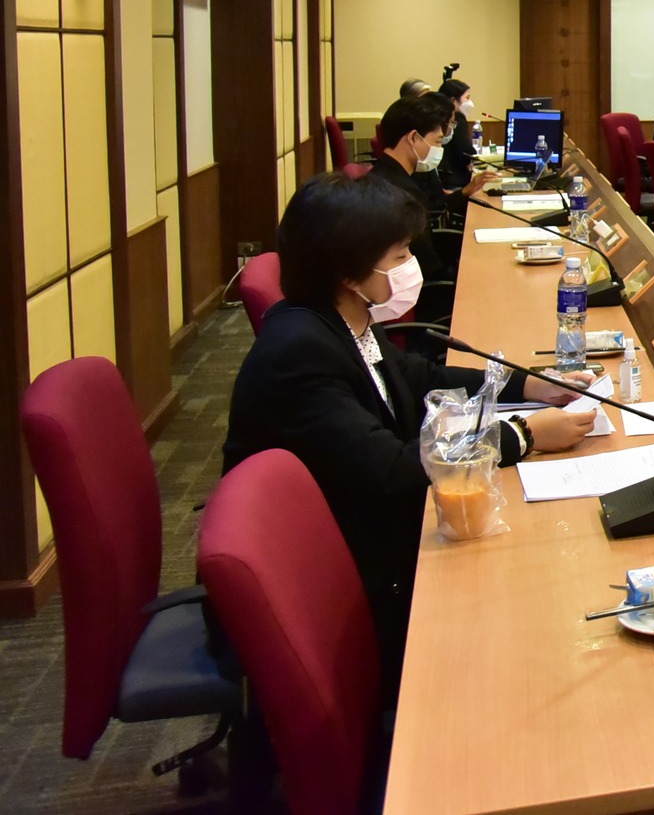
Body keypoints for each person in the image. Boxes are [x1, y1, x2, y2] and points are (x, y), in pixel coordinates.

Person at [221, 172, 596, 684]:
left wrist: (530, 384)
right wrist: (523, 435)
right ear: (349, 272)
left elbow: (418, 378)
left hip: (364, 526)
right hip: (338, 576)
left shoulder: (339, 318)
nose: (409, 265)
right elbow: (392, 470)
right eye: (399, 255)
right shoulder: (300, 353)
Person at [370, 94, 495, 296]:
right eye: (437, 142)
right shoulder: (403, 194)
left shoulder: (385, 176)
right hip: (427, 295)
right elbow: (430, 268)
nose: (439, 149)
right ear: (413, 138)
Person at [436, 76, 481, 190]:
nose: (469, 102)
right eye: (467, 98)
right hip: (453, 179)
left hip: (443, 176)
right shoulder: (457, 117)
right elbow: (465, 148)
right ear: (453, 100)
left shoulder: (437, 114)